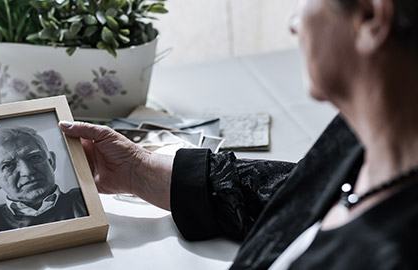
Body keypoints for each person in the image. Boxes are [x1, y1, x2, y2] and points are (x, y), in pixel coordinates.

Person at [58, 0, 418, 268]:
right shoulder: (368, 137)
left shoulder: (385, 252)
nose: (294, 23)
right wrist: (140, 170)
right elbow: (295, 192)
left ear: (370, 17)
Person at [0, 127, 88, 233]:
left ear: (51, 162)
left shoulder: (84, 200)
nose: (27, 172)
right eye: (9, 165)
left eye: (35, 158)